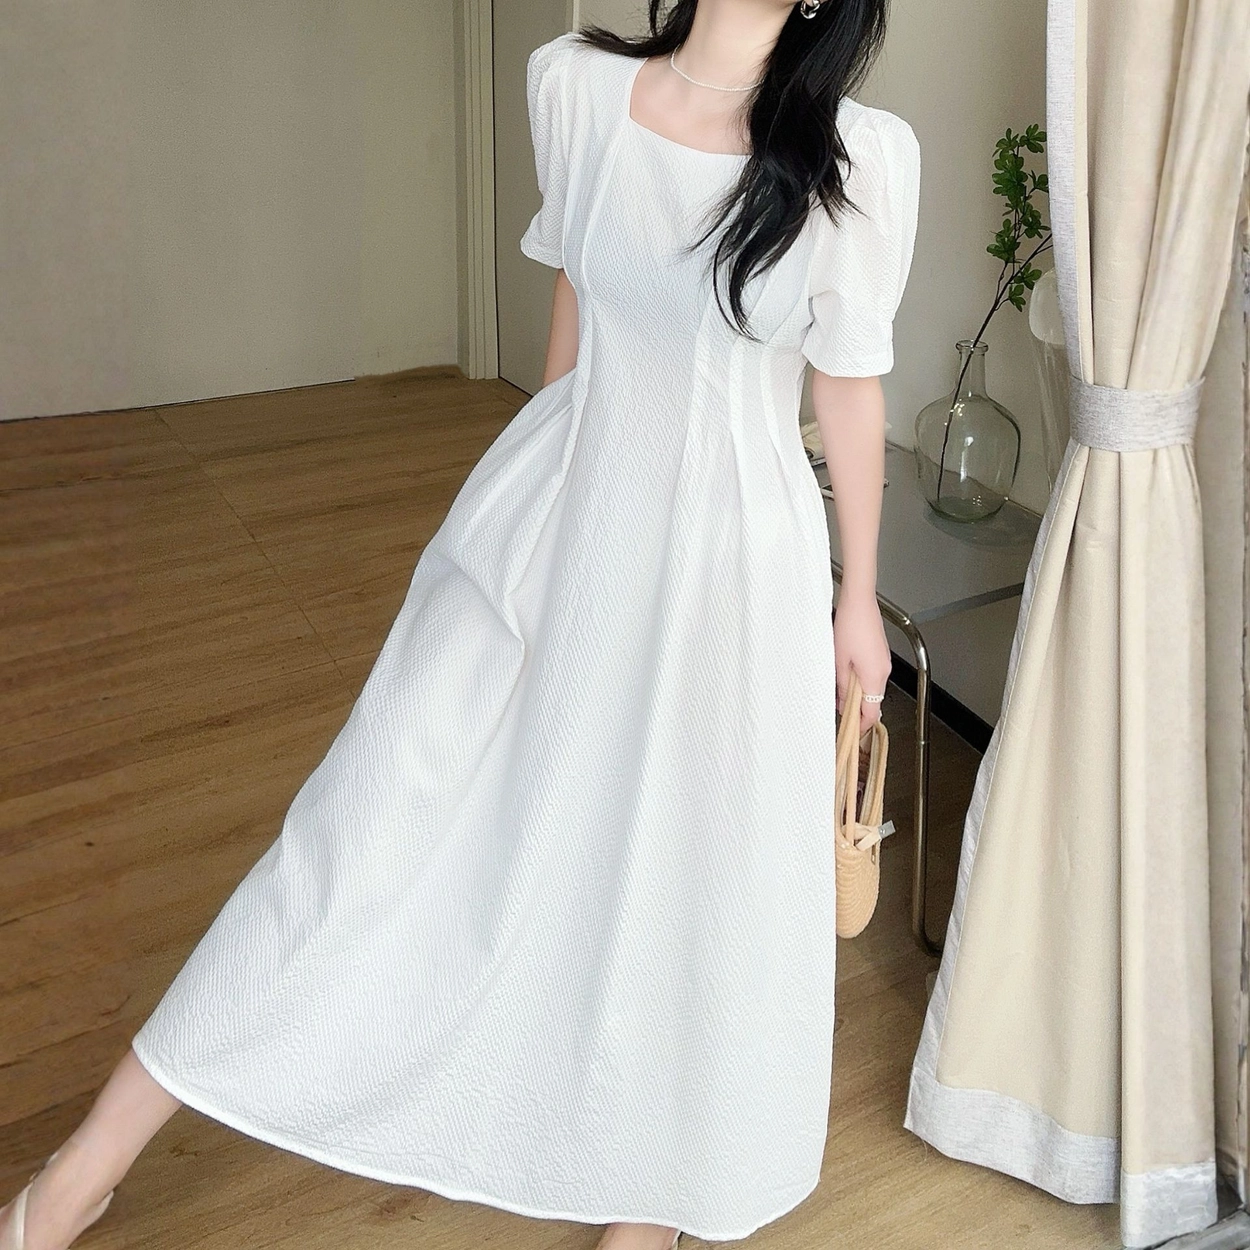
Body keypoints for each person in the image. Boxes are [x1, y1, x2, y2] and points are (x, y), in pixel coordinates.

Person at [1, 1, 920, 1247]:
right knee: (360, 824)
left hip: (730, 567)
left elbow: (846, 391)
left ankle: (648, 1196)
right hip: (560, 518)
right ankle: (86, 1164)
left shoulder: (855, 158)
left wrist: (855, 597)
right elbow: (574, 321)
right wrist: (540, 513)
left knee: (678, 870)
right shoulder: (577, 89)